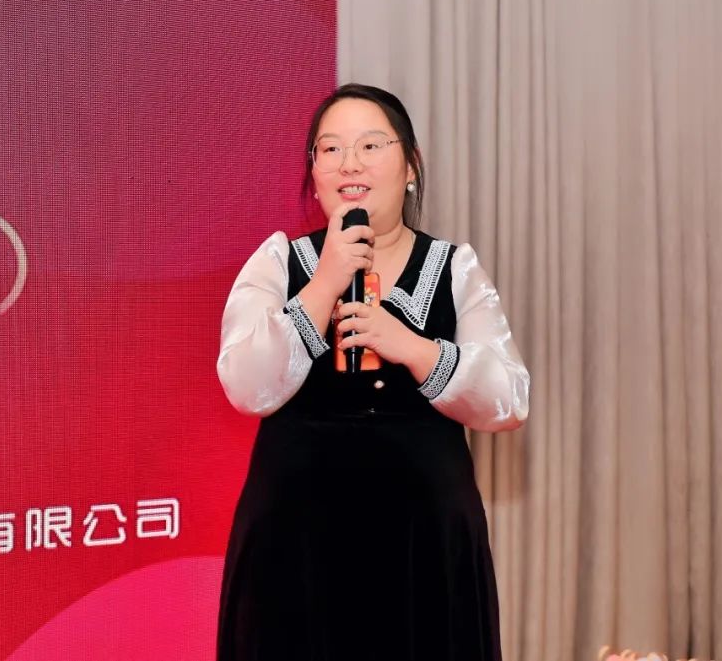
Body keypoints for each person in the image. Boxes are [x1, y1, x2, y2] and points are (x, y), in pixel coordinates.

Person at [215, 83, 530, 661]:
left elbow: (507, 401)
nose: (349, 164)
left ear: (410, 166)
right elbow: (246, 385)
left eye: (370, 145)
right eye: (330, 149)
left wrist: (412, 347)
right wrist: (325, 283)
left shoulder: (455, 268)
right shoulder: (279, 261)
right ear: (313, 173)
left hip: (423, 544)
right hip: (295, 544)